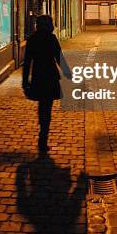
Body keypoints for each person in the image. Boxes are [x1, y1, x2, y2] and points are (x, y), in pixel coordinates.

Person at [22, 15, 71, 153]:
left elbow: (27, 63)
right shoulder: (51, 39)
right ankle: (43, 136)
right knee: (46, 107)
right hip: (50, 77)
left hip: (38, 77)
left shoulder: (32, 39)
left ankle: (42, 132)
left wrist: (25, 82)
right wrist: (69, 74)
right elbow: (59, 57)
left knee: (42, 106)